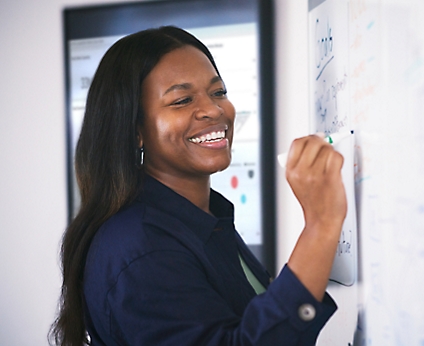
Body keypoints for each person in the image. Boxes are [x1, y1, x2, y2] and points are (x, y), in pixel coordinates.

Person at [50, 26, 347, 346]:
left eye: (218, 92)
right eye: (182, 100)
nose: (214, 110)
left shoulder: (203, 219)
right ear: (135, 130)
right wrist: (320, 225)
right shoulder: (141, 248)